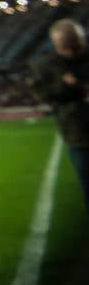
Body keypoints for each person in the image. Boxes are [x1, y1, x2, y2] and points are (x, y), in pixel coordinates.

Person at [38, 19, 89, 211]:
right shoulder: (49, 65)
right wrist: (66, 86)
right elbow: (45, 94)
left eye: (73, 43)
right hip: (78, 134)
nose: (69, 49)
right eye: (64, 45)